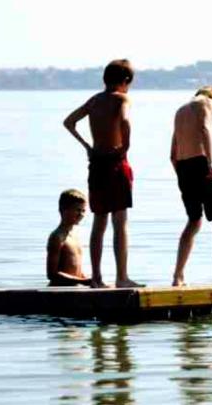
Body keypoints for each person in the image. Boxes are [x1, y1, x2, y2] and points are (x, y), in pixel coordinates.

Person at [63, 59, 141, 288]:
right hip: (116, 163)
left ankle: (96, 278)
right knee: (120, 222)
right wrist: (126, 146)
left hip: (97, 163)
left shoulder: (94, 100)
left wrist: (88, 147)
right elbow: (125, 121)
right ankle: (122, 277)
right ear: (126, 81)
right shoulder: (122, 99)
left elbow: (69, 122)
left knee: (99, 222)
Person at [170, 86, 212, 286]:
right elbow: (205, 129)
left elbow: (172, 153)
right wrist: (211, 164)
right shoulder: (205, 102)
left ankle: (178, 276)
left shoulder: (181, 111)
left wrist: (181, 174)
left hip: (183, 167)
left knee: (194, 221)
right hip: (201, 163)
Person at [46, 189, 93, 287]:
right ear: (63, 209)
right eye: (77, 210)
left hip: (74, 290)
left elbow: (77, 270)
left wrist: (89, 280)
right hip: (59, 292)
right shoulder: (57, 237)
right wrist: (83, 281)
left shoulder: (76, 236)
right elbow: (52, 274)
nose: (81, 214)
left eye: (83, 211)